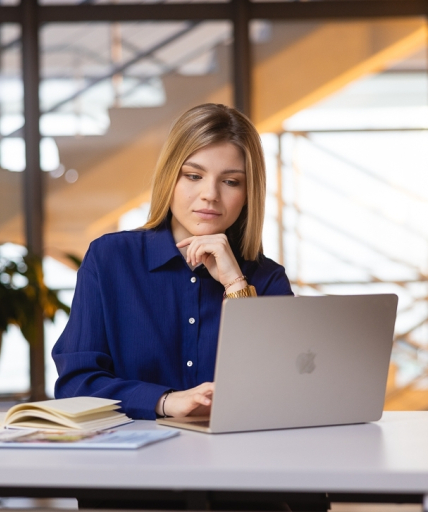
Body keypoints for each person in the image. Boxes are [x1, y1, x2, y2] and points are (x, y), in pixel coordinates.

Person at [51, 103, 293, 420]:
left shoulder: (267, 279)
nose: (210, 194)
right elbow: (76, 383)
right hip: (135, 461)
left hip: (235, 457)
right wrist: (164, 401)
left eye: (231, 181)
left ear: (249, 193)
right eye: (193, 175)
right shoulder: (110, 259)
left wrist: (235, 285)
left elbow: (284, 388)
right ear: (170, 178)